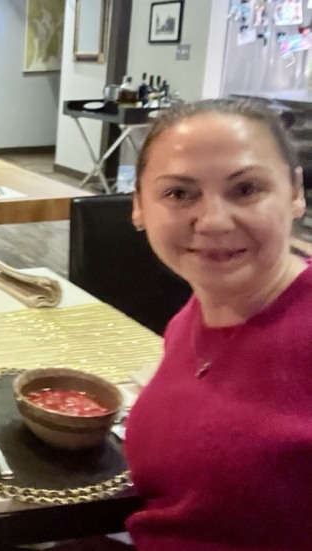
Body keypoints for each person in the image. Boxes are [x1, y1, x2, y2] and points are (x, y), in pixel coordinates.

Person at [125, 98, 312, 549]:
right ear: (139, 208)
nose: (213, 221)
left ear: (295, 194)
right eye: (179, 193)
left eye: (246, 189)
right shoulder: (192, 317)